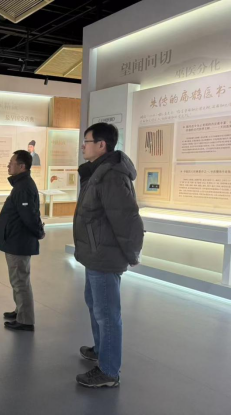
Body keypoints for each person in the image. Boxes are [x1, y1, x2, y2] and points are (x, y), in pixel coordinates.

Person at [74, 123, 144, 389]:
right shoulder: (98, 172)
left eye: (87, 141)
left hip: (105, 255)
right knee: (95, 304)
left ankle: (109, 371)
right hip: (95, 252)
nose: (83, 146)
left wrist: (131, 253)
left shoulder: (111, 176)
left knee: (107, 313)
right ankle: (101, 350)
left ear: (101, 145)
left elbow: (127, 219)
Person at [0, 151, 45, 332]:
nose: (8, 165)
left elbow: (30, 216)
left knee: (20, 281)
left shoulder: (23, 187)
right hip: (15, 239)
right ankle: (20, 311)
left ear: (22, 166)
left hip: (19, 241)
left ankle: (25, 320)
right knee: (17, 279)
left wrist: (39, 232)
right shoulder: (21, 185)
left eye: (11, 162)